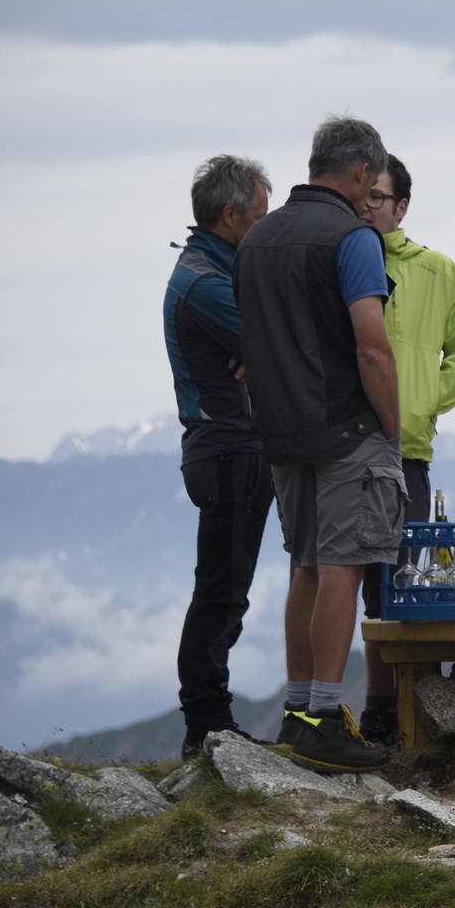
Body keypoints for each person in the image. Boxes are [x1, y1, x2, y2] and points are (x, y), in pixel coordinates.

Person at [233, 116, 399, 773]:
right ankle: (327, 717)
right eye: (372, 181)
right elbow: (371, 342)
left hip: (281, 429)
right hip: (346, 427)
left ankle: (299, 709)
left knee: (303, 562)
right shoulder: (353, 238)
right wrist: (389, 422)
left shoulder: (258, 238)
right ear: (361, 173)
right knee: (343, 565)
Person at [354, 154, 455, 742]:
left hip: (408, 446)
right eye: (363, 197)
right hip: (344, 440)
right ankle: (342, 707)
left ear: (402, 206)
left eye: (379, 198)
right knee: (335, 576)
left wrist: (425, 403)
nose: (368, 207)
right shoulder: (336, 259)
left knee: (396, 581)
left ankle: (390, 711)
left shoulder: (438, 270)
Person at [163, 154, 274, 758]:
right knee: (221, 592)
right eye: (260, 214)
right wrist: (261, 348)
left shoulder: (215, 271)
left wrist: (260, 349)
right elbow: (285, 341)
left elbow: (270, 342)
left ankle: (209, 721)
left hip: (231, 449)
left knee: (227, 589)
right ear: (230, 216)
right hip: (229, 449)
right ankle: (207, 725)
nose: (267, 223)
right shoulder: (207, 283)